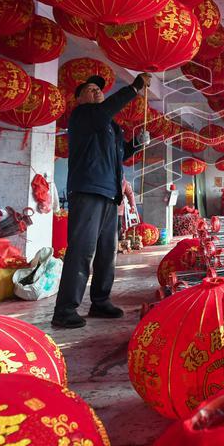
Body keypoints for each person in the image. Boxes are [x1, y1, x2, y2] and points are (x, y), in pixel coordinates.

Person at [52, 72, 151, 329]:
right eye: (89, 89)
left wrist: (137, 144)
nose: (96, 91)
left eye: (99, 89)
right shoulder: (83, 116)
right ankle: (65, 309)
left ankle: (100, 301)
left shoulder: (111, 126)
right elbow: (104, 110)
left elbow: (120, 153)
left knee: (107, 252)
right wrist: (134, 88)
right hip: (87, 191)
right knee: (82, 250)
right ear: (79, 98)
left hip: (110, 195)